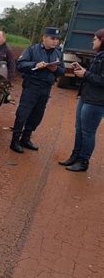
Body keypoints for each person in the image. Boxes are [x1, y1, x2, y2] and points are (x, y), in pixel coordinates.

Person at [10, 27, 64, 153]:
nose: (55, 41)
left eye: (57, 39)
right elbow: (20, 64)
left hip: (46, 88)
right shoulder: (32, 49)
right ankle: (15, 140)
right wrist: (35, 65)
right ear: (44, 37)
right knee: (23, 113)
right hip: (32, 86)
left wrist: (55, 69)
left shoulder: (58, 53)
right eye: (52, 38)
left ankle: (26, 138)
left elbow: (62, 71)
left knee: (37, 114)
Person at [59, 29, 104, 171]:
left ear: (102, 40)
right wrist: (83, 70)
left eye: (95, 39)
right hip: (86, 96)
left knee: (88, 132)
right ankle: (75, 156)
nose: (93, 41)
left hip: (96, 101)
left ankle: (83, 162)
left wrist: (86, 74)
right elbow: (94, 75)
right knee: (79, 130)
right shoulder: (99, 56)